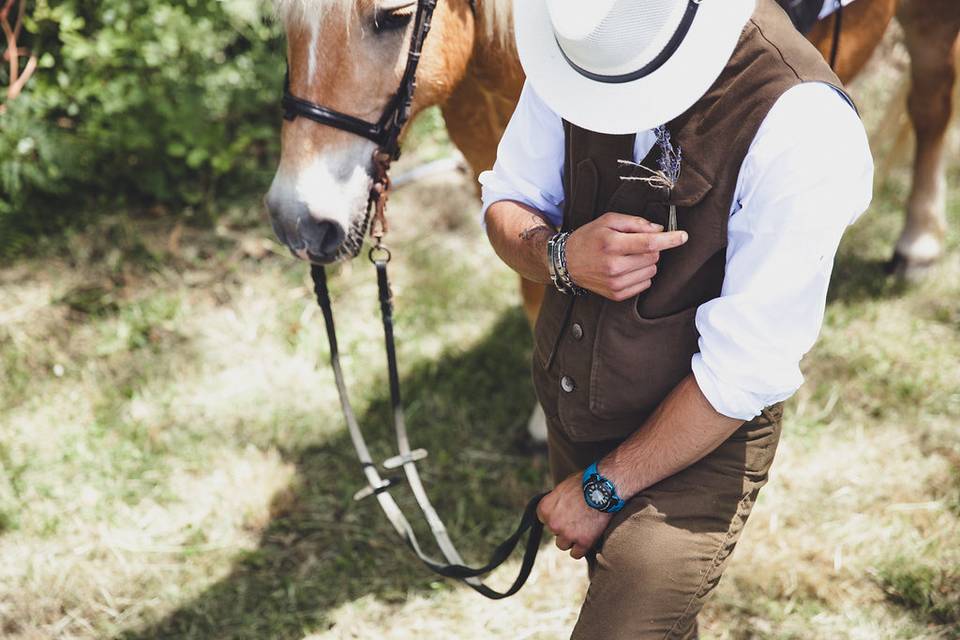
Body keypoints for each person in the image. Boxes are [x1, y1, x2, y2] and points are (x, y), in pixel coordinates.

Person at [480, 0, 874, 637]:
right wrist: (559, 256)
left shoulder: (803, 124)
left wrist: (598, 489)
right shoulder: (583, 40)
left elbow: (742, 370)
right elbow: (508, 196)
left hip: (705, 437)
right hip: (575, 401)